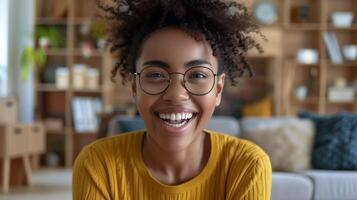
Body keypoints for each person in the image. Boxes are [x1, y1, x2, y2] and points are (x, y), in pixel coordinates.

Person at [72, 0, 272, 199]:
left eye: (198, 75)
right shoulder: (98, 164)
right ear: (135, 88)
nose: (176, 94)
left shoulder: (247, 165)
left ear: (218, 90)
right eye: (156, 75)